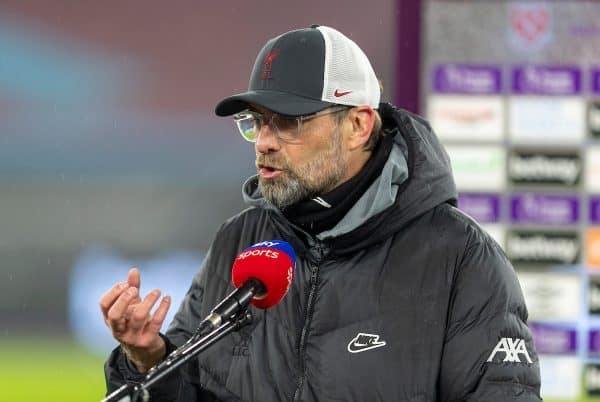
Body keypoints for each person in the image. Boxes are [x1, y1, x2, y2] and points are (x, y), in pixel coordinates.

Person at [101, 25, 542, 401]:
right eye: (257, 120)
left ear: (358, 125)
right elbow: (185, 389)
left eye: (289, 121)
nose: (264, 141)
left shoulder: (460, 256)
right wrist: (148, 358)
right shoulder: (238, 241)